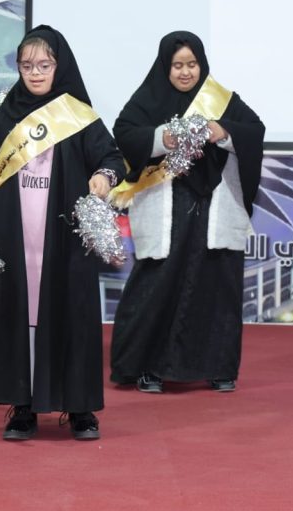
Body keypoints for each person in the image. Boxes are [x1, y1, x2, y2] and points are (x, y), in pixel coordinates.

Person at [0, 25, 125, 441]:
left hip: (64, 240)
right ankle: (22, 407)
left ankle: (80, 409)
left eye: (44, 65)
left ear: (59, 66)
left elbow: (112, 157)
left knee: (71, 317)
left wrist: (103, 176)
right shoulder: (7, 112)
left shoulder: (77, 114)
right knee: (16, 317)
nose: (35, 73)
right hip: (13, 235)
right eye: (27, 66)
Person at [109, 30, 265, 394]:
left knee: (217, 285)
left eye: (192, 64)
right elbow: (124, 132)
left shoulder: (223, 99)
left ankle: (219, 367)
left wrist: (221, 131)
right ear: (165, 66)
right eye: (177, 65)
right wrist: (164, 138)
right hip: (166, 203)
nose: (185, 72)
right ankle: (147, 367)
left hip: (215, 205)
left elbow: (254, 131)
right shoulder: (147, 99)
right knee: (157, 285)